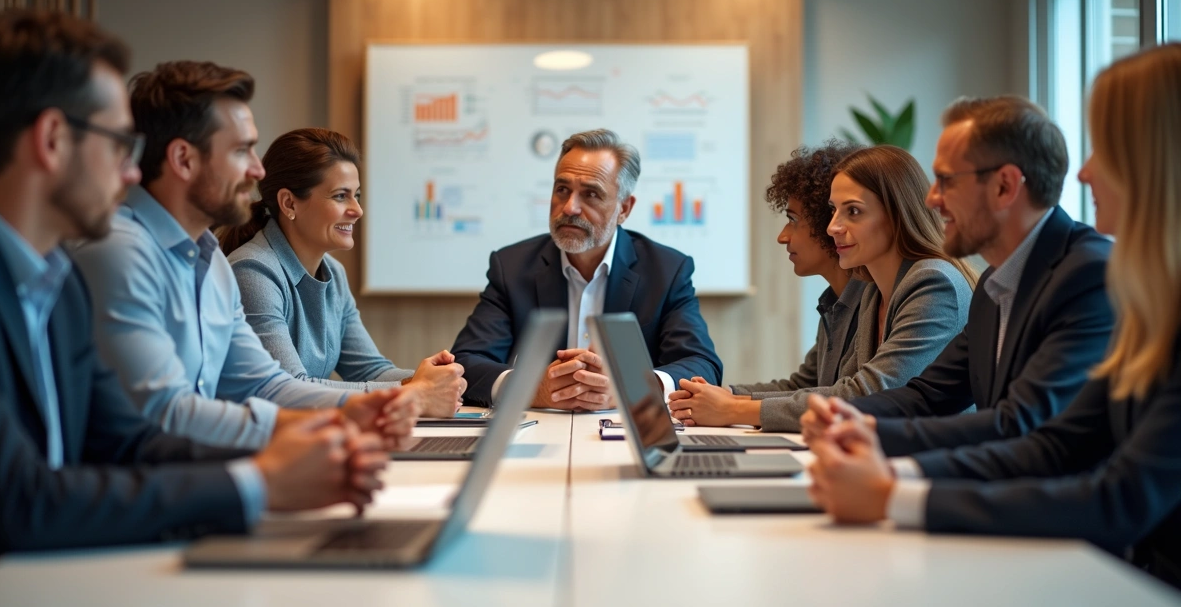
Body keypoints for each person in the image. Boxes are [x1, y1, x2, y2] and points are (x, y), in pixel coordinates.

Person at [0, 10, 391, 570]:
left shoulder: (56, 281)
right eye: (119, 143)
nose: (131, 172)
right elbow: (21, 500)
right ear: (50, 140)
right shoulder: (83, 261)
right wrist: (258, 483)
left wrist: (316, 437)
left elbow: (131, 439)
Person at [805, 42, 1181, 590]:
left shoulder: (1095, 277)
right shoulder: (1005, 285)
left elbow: (1108, 490)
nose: (1087, 172)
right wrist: (871, 439)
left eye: (1108, 149)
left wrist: (893, 491)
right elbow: (1050, 442)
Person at [72, 61, 420, 450]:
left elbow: (265, 385)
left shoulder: (211, 261)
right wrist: (330, 424)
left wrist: (366, 407)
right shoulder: (120, 253)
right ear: (184, 159)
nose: (257, 170)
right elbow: (166, 414)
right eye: (242, 151)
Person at [801, 96, 1113, 456]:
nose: (932, 199)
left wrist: (889, 478)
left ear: (1004, 187)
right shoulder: (996, 284)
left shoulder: (1089, 275)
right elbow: (929, 394)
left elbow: (1018, 423)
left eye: (946, 180)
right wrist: (845, 418)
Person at [671, 145, 976, 432]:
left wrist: (732, 409)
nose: (832, 227)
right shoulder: (873, 290)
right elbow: (816, 385)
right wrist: (720, 398)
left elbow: (869, 393)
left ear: (897, 215)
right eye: (833, 211)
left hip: (929, 468)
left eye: (853, 211)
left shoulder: (934, 284)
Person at [451, 129, 723, 410]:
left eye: (591, 194)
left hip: (623, 436)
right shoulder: (512, 267)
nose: (570, 208)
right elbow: (465, 362)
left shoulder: (666, 271)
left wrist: (630, 388)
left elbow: (702, 366)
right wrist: (530, 389)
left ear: (624, 209)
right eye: (562, 190)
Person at [217, 128, 465, 417]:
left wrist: (432, 380)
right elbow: (288, 389)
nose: (357, 210)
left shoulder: (333, 273)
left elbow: (370, 370)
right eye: (340, 196)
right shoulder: (253, 271)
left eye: (356, 195)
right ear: (289, 203)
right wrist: (412, 391)